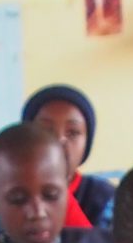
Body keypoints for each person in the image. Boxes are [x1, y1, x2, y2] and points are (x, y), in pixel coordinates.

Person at [24, 83, 115, 229]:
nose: (59, 141)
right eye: (46, 131)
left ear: (87, 143)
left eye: (72, 132)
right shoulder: (16, 194)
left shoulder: (105, 197)